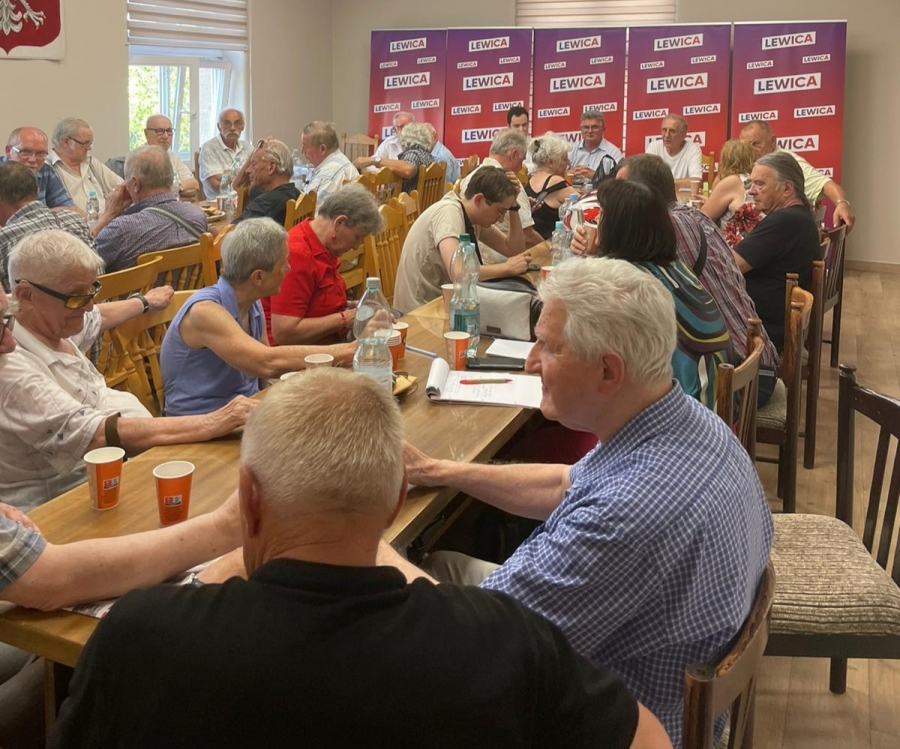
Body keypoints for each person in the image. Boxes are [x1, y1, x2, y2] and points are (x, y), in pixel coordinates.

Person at [51, 368, 673, 749]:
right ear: (397, 497)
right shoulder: (506, 638)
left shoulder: (141, 637)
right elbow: (650, 740)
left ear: (248, 499)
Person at [381, 256, 773, 746]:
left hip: (613, 723)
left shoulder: (626, 516)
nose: (531, 362)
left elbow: (476, 651)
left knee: (385, 654)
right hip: (654, 678)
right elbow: (567, 484)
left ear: (608, 371)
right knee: (439, 562)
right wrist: (441, 471)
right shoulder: (688, 422)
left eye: (549, 347)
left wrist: (357, 534)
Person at [0, 288, 245, 745]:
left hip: (54, 533)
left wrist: (145, 301)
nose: (10, 342)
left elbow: (98, 315)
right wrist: (230, 525)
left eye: (8, 321)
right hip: (50, 548)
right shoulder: (16, 371)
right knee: (131, 650)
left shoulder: (54, 332)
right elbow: (51, 581)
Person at [0, 230, 255, 511]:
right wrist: (212, 421)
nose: (88, 305)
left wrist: (143, 302)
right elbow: (93, 434)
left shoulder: (45, 319)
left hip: (116, 473)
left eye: (91, 291)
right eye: (76, 297)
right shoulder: (12, 367)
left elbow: (97, 316)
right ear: (26, 295)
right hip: (64, 503)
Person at [614, 154, 778, 406]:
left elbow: (612, 290)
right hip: (754, 360)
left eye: (620, 192)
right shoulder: (694, 217)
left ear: (640, 196)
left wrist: (595, 248)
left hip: (738, 380)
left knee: (618, 392)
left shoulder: (664, 231)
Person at [161, 219, 356, 416]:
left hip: (244, 410)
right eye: (283, 264)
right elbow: (265, 363)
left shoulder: (252, 301)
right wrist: (347, 351)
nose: (288, 268)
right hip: (202, 421)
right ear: (258, 277)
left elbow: (265, 377)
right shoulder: (204, 312)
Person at [591, 179, 734, 409]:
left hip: (686, 412)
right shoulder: (673, 268)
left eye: (602, 215)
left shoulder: (632, 285)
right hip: (714, 401)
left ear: (617, 228)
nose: (597, 221)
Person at [393, 166, 532, 314]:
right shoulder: (449, 213)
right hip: (420, 311)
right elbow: (459, 273)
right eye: (500, 211)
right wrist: (507, 268)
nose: (501, 219)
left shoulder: (473, 216)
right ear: (479, 199)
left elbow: (513, 250)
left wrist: (514, 206)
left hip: (447, 302)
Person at [266, 185, 381, 346]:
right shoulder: (297, 254)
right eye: (357, 237)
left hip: (324, 345)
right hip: (295, 355)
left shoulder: (326, 247)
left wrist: (347, 306)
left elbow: (315, 302)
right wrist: (344, 318)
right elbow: (284, 333)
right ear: (339, 223)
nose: (357, 246)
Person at [732, 152, 821, 352]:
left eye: (760, 184)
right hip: (770, 322)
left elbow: (730, 265)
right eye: (751, 184)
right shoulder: (798, 216)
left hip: (760, 331)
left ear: (787, 188)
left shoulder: (785, 221)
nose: (751, 191)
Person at [92, 146, 208, 272]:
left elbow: (85, 262)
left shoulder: (121, 229)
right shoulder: (197, 216)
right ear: (170, 178)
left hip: (139, 286)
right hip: (189, 286)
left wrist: (108, 215)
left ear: (135, 184)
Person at [740, 119, 855, 232]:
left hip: (782, 232)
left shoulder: (786, 163)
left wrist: (841, 203)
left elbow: (825, 183)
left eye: (756, 144)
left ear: (773, 141)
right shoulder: (742, 163)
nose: (751, 150)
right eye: (746, 146)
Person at [0, 163, 94, 291]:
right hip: (94, 301)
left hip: (36, 304)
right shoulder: (75, 220)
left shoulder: (3, 241)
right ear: (37, 191)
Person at [459, 127, 544, 251]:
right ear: (514, 155)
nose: (521, 167)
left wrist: (516, 206)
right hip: (494, 255)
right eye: (522, 160)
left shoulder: (470, 177)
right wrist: (551, 249)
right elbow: (528, 236)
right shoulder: (508, 182)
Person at [47, 117, 123, 213]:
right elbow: (63, 209)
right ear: (66, 141)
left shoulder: (90, 161)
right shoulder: (47, 169)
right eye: (86, 143)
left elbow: (122, 187)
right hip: (75, 221)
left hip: (109, 218)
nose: (89, 148)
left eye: (90, 143)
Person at [701, 139, 761, 243]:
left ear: (725, 160)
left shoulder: (732, 181)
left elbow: (702, 218)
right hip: (754, 242)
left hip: (733, 246)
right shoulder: (753, 180)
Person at [232, 139, 299, 227]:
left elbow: (229, 232)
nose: (247, 170)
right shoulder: (296, 194)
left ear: (271, 168)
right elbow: (238, 185)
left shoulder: (265, 204)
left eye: (253, 164)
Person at [4, 127, 74, 210]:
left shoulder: (45, 171)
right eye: (26, 152)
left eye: (40, 153)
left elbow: (68, 208)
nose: (33, 159)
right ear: (8, 151)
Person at [354, 122, 434, 194]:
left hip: (403, 203)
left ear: (405, 138)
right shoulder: (428, 156)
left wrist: (375, 160)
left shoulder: (413, 154)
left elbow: (408, 169)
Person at [526, 132, 578, 239]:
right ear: (550, 162)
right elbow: (584, 206)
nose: (568, 163)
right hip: (552, 244)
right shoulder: (557, 182)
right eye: (564, 159)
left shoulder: (529, 180)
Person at [143, 114, 201, 199]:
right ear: (146, 133)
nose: (166, 136)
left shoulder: (172, 156)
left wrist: (177, 188)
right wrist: (178, 191)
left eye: (169, 131)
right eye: (159, 131)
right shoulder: (139, 158)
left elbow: (194, 185)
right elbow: (151, 194)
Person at [198, 108, 253, 198]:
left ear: (243, 126)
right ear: (219, 127)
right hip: (219, 202)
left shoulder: (247, 147)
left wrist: (227, 173)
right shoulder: (209, 148)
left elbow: (258, 177)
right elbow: (217, 184)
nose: (232, 128)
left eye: (237, 123)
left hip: (246, 199)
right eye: (227, 123)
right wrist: (245, 172)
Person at [299, 121, 359, 202]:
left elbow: (314, 209)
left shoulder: (328, 177)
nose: (302, 151)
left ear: (323, 149)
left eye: (305, 146)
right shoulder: (340, 160)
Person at [645, 114, 702, 189]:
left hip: (683, 196)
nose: (666, 135)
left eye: (672, 131)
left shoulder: (692, 149)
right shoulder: (653, 147)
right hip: (659, 196)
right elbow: (645, 178)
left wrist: (665, 183)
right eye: (664, 130)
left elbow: (696, 181)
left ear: (683, 135)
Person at [568, 110, 624, 185]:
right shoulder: (570, 150)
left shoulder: (613, 153)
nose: (590, 131)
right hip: (572, 191)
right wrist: (569, 173)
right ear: (581, 129)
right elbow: (557, 174)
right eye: (586, 127)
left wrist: (596, 176)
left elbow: (620, 181)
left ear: (603, 129)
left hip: (600, 191)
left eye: (594, 127)